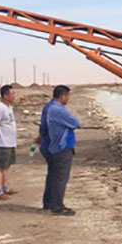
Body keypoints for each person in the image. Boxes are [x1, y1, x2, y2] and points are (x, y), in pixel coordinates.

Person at [46, 85, 80, 215]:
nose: (68, 99)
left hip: (59, 148)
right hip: (62, 148)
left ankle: (56, 204)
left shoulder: (52, 108)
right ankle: (57, 207)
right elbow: (75, 122)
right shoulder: (58, 110)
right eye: (68, 96)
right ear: (63, 96)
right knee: (61, 178)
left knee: (58, 177)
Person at [0, 84, 18, 200]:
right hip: (2, 142)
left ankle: (5, 187)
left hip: (10, 142)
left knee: (6, 166)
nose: (14, 96)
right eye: (12, 93)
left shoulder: (9, 107)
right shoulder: (0, 108)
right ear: (5, 95)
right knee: (0, 167)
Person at [35, 88, 57, 210]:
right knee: (54, 174)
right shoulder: (53, 109)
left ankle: (49, 202)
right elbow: (44, 128)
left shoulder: (49, 107)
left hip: (47, 144)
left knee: (52, 173)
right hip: (50, 145)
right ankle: (50, 203)